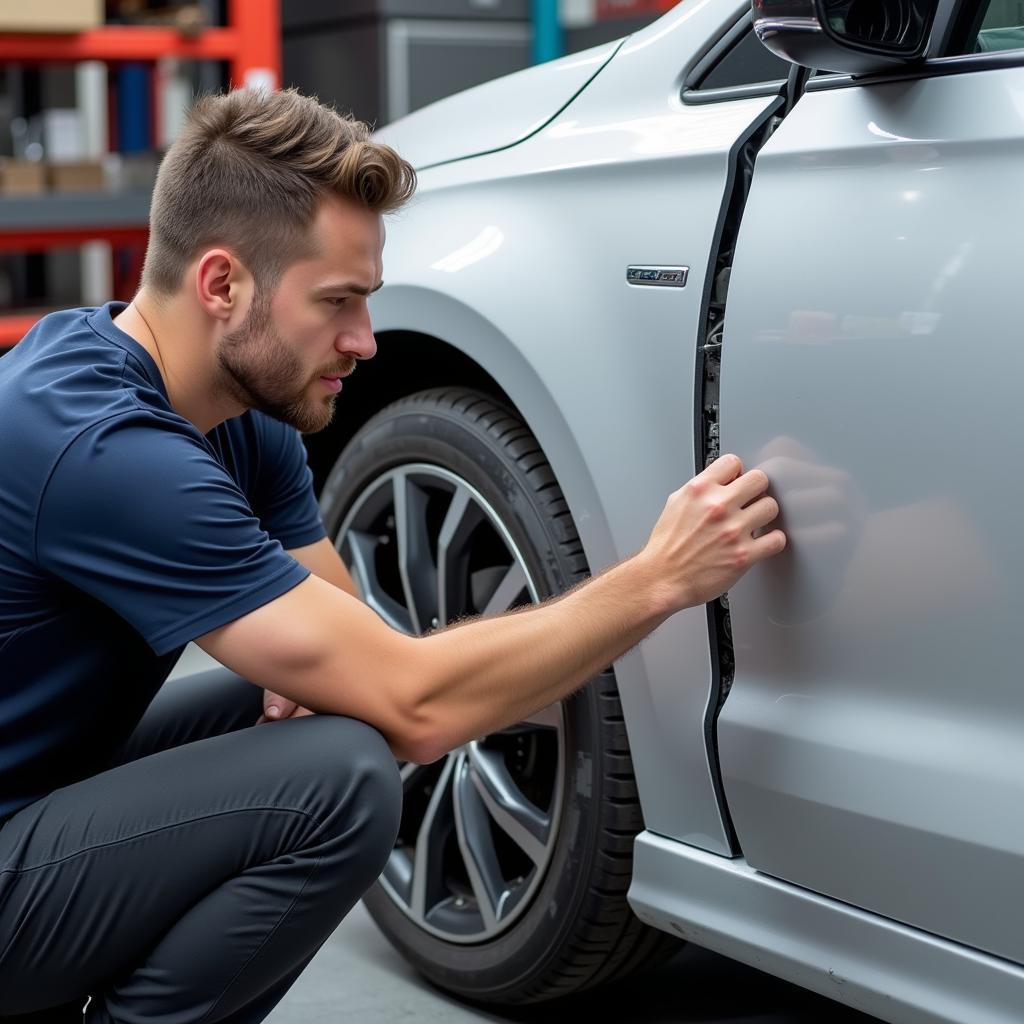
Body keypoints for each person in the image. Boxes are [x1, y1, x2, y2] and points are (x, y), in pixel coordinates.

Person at [0, 88, 785, 1024]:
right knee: (339, 781)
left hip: (39, 795)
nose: (364, 342)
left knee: (334, 727)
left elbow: (364, 660)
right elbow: (415, 705)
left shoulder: (233, 415)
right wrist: (658, 580)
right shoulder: (99, 447)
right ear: (221, 286)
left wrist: (375, 679)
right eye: (337, 302)